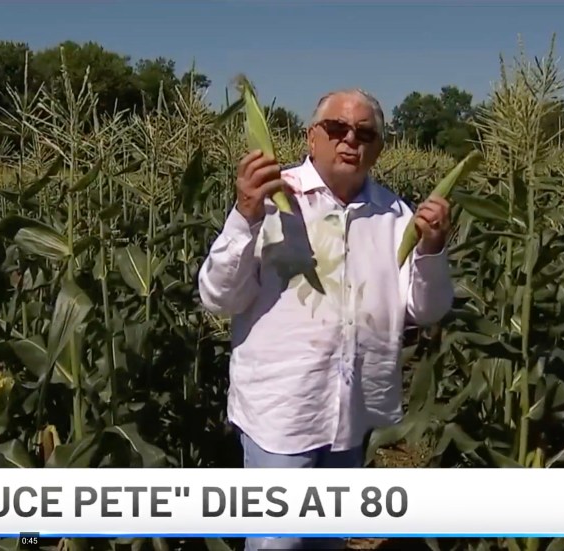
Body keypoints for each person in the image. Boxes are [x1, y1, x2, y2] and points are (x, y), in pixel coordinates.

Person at [197, 88, 454, 550]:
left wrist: (432, 249)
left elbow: (426, 309)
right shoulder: (272, 198)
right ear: (311, 137)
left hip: (351, 412)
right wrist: (245, 214)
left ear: (379, 147)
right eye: (336, 128)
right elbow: (218, 297)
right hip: (280, 412)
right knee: (277, 543)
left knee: (325, 541)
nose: (349, 140)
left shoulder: (396, 215)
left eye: (364, 133)